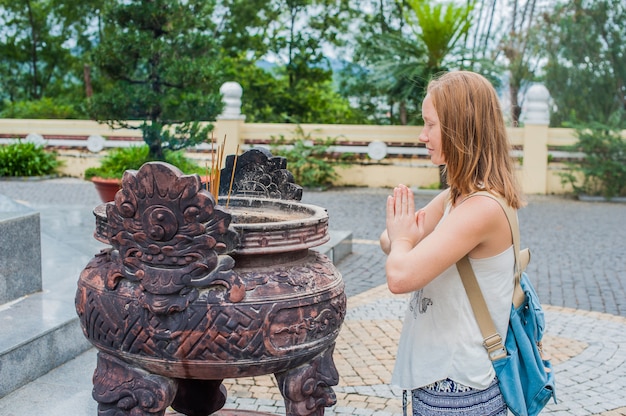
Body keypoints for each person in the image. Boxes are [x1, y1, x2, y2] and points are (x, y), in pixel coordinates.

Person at [380, 71, 525, 415]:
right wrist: (402, 240)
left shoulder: (481, 208)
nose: (422, 135)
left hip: (459, 390)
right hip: (442, 381)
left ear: (460, 129)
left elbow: (399, 274)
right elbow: (391, 243)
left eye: (430, 125)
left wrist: (405, 239)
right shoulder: (456, 197)